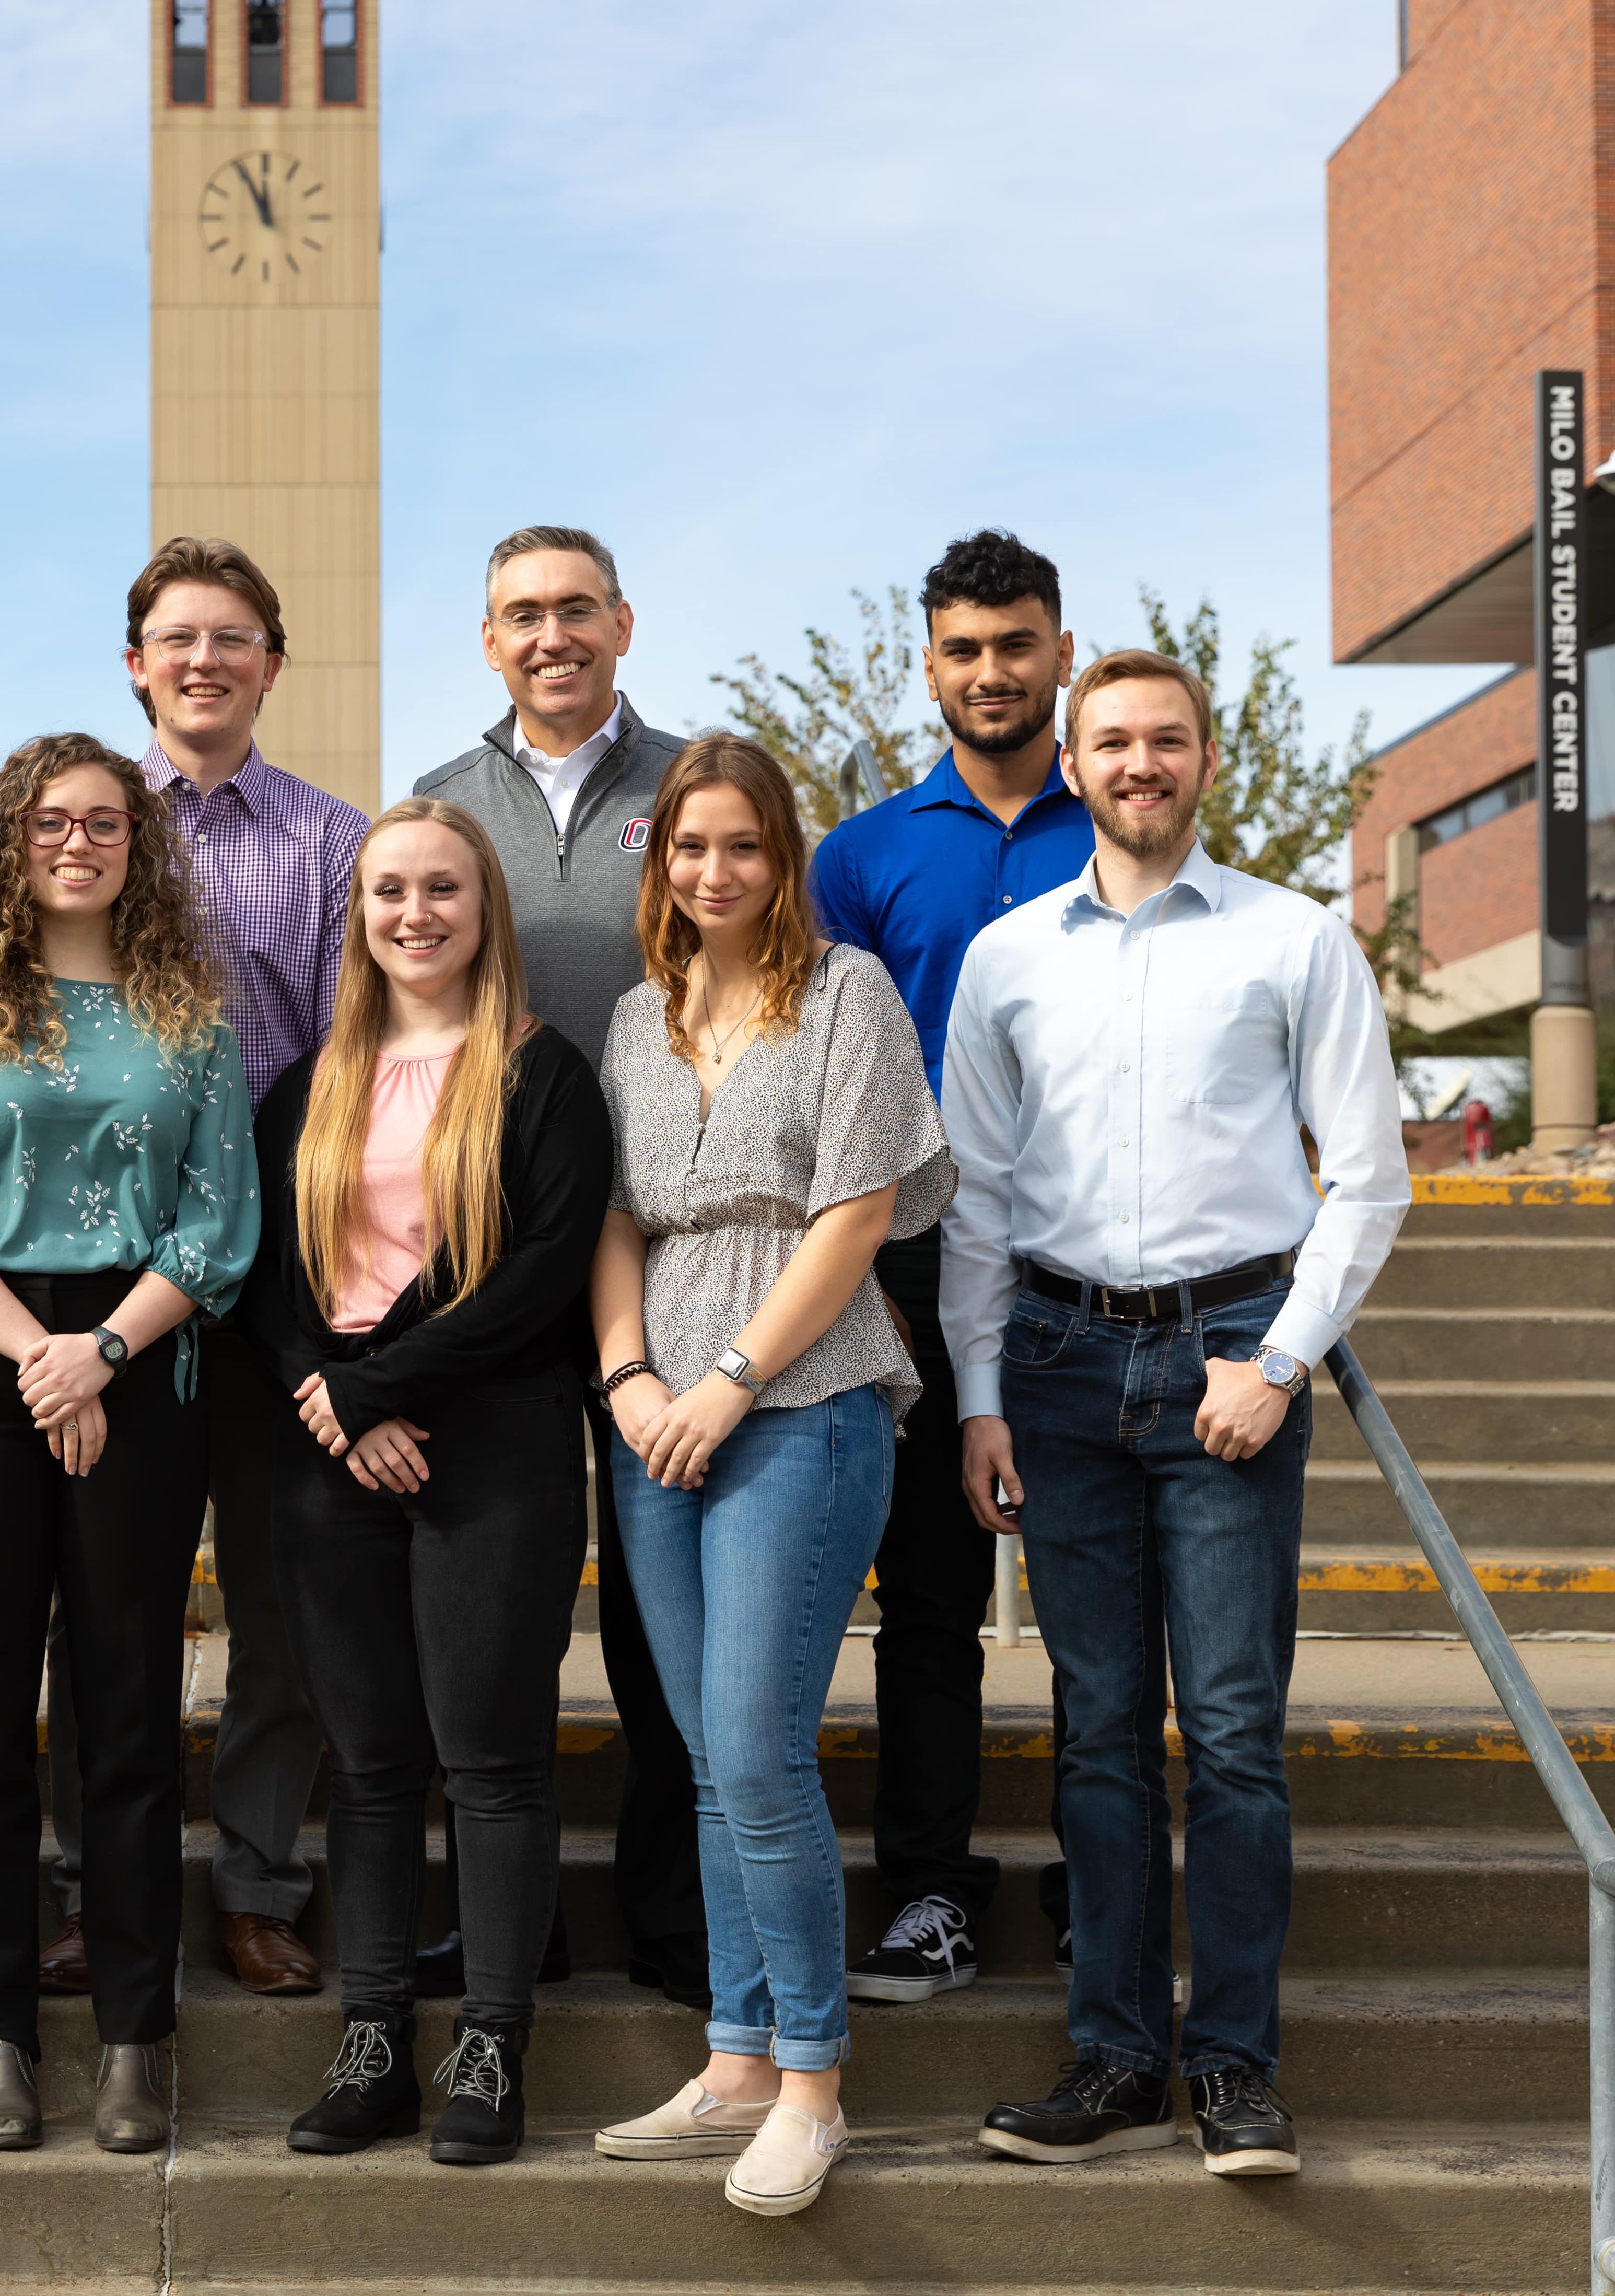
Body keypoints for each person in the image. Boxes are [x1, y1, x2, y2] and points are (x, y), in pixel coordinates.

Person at [943, 649, 1408, 2178]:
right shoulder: (1008, 957)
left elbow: (1370, 1177)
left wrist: (1277, 1361)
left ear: (1206, 757)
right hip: (1066, 1369)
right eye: (1114, 741)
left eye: (1168, 738)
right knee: (1094, 1737)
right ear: (1070, 762)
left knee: (1230, 1734)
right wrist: (984, 1397)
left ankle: (1236, 2065)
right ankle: (1116, 2055)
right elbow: (980, 1201)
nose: (1140, 762)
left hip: (1228, 1355)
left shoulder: (1294, 940)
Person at [586, 734, 953, 2220]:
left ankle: (812, 2080)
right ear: (659, 859)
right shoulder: (634, 1015)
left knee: (756, 1746)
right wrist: (630, 1381)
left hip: (798, 1392)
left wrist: (731, 1378)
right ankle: (733, 2054)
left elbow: (858, 1215)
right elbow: (613, 1220)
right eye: (689, 847)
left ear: (783, 856)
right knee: (698, 1751)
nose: (714, 871)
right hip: (651, 1405)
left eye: (742, 846)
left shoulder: (848, 992)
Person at [0, 732, 259, 2154]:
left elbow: (220, 1223)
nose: (77, 842)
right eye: (47, 823)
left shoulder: (190, 1014)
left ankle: (133, 2035)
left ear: (139, 845)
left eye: (103, 822)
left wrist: (99, 1349)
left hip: (143, 1360)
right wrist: (39, 1354)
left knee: (126, 1704)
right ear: (7, 845)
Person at [244, 798, 613, 2167]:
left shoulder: (539, 1072)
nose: (415, 912)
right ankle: (374, 2037)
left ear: (484, 906)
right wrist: (337, 1401)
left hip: (494, 1448)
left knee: (494, 1760)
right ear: (360, 910)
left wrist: (378, 1386)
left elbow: (538, 1277)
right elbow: (270, 1280)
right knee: (376, 1766)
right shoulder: (311, 1079)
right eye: (389, 888)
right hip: (332, 1453)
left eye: (442, 888)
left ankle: (493, 2043)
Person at [24, 535, 365, 2004]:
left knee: (284, 1598)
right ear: (135, 661)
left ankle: (259, 1879)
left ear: (271, 666)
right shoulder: (76, 825)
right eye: (178, 637)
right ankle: (88, 1883)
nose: (205, 660)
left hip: (278, 1265)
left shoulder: (333, 843)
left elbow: (355, 1066)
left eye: (234, 639)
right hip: (98, 1287)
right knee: (101, 1601)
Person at [803, 529, 1093, 2003]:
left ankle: (1105, 1882)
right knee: (929, 1592)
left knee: (1114, 1596)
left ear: (1060, 651)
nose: (992, 673)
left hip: (1093, 1258)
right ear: (930, 663)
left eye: (1017, 645)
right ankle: (929, 1886)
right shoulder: (859, 856)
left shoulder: (1115, 820)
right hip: (910, 1265)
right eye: (965, 649)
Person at [412, 525, 699, 2005]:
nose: (552, 635)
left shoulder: (701, 789)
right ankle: (508, 1916)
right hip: (500, 1256)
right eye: (521, 613)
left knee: (665, 1616)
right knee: (503, 1609)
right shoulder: (440, 806)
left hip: (671, 1248)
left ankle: (674, 1910)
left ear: (624, 622)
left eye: (576, 609)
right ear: (489, 639)